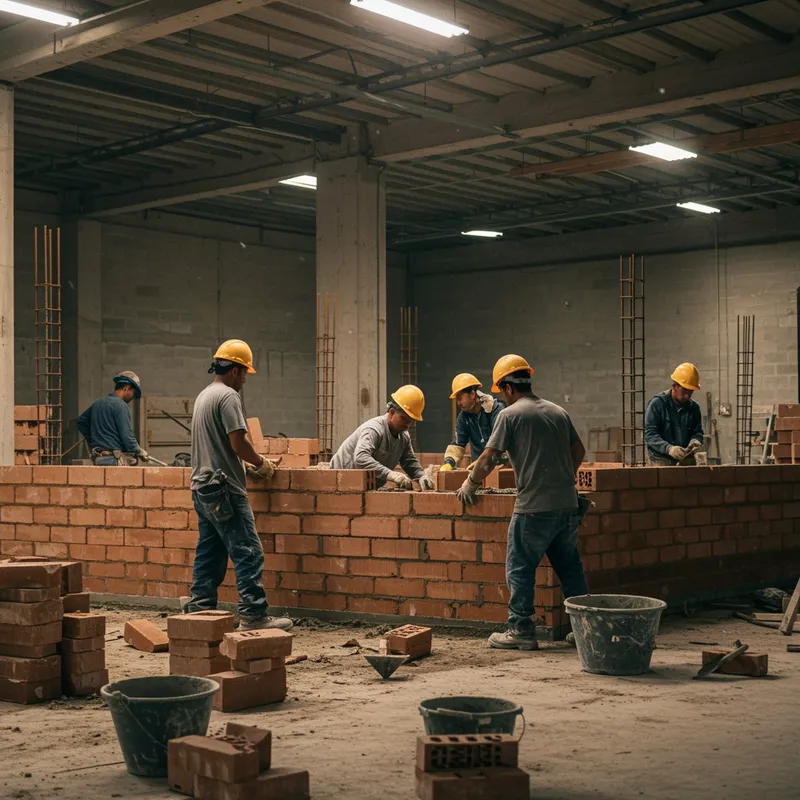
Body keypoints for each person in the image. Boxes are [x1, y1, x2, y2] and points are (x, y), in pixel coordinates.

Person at [456, 354, 589, 651]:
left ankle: (521, 629)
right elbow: (579, 451)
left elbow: (489, 457)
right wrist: (562, 477)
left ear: (507, 387)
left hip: (534, 507)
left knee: (519, 565)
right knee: (569, 566)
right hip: (567, 504)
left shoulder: (510, 415)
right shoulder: (558, 412)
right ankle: (584, 628)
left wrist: (471, 483)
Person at [187, 338, 292, 631]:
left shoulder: (204, 395)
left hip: (202, 487)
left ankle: (199, 609)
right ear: (233, 370)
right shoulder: (229, 397)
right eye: (245, 372)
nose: (246, 378)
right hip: (225, 489)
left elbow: (215, 444)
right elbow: (237, 441)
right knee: (248, 549)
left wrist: (244, 464)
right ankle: (254, 615)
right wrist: (260, 463)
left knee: (211, 551)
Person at [330, 385, 435, 490]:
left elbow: (409, 461)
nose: (407, 426)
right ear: (392, 412)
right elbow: (361, 457)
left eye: (411, 422)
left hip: (363, 488)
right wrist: (390, 475)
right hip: (338, 484)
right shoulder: (374, 429)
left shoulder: (403, 437)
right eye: (404, 419)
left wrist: (421, 475)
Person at [77, 371, 149, 466]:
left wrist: (93, 442)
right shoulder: (121, 405)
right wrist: (138, 450)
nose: (132, 397)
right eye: (133, 393)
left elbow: (81, 422)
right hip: (113, 460)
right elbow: (127, 436)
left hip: (98, 459)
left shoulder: (98, 403)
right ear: (126, 388)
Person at [441, 373, 505, 471]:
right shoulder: (463, 417)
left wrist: (482, 462)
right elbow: (458, 444)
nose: (458, 403)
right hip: (479, 472)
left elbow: (499, 444)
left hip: (502, 468)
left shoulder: (495, 410)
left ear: (472, 394)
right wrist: (449, 462)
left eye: (460, 398)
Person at [644, 363, 704, 466]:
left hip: (684, 461)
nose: (687, 396)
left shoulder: (694, 408)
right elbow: (650, 435)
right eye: (684, 390)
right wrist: (669, 449)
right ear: (674, 386)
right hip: (660, 461)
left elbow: (697, 431)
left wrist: (696, 440)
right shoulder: (658, 404)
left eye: (691, 392)